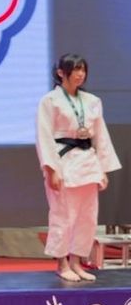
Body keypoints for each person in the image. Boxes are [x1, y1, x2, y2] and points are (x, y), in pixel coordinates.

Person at [36, 53, 121, 282]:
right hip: (63, 162)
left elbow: (101, 136)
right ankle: (62, 263)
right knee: (63, 215)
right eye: (75, 69)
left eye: (83, 70)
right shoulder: (50, 101)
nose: (80, 74)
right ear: (61, 73)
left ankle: (76, 261)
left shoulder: (92, 101)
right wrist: (51, 169)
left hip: (88, 162)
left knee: (88, 216)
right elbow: (44, 136)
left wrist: (102, 169)